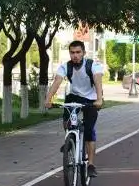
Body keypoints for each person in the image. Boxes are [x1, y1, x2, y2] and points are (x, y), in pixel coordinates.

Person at [44, 40, 104, 177]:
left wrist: (99, 99)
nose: (75, 55)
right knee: (67, 121)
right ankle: (70, 140)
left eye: (78, 52)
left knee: (89, 130)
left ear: (83, 53)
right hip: (74, 97)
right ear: (69, 53)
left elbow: (98, 80)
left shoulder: (93, 65)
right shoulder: (66, 67)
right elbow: (57, 82)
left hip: (91, 99)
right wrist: (48, 98)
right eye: (72, 52)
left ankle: (91, 165)